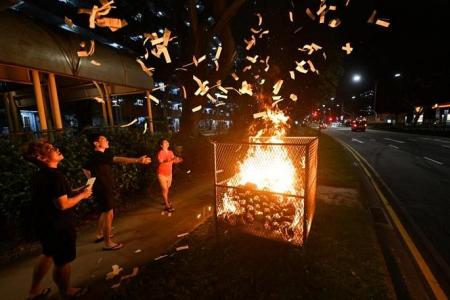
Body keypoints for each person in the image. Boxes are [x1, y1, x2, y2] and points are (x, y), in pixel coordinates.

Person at [23, 140, 92, 299]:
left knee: (47, 253)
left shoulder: (40, 175)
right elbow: (63, 204)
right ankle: (65, 292)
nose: (57, 149)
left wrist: (76, 190)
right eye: (51, 149)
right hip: (58, 226)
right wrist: (82, 195)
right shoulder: (55, 176)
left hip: (44, 224)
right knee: (62, 262)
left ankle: (34, 291)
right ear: (42, 157)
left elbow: (57, 195)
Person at [83, 133, 151, 251]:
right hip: (103, 188)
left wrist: (91, 180)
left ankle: (100, 234)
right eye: (103, 139)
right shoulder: (97, 155)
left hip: (103, 187)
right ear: (96, 143)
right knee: (108, 213)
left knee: (105, 212)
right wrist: (138, 160)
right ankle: (108, 243)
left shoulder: (97, 156)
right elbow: (118, 159)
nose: (107, 140)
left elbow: (84, 167)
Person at [157, 139, 183, 212]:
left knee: (167, 188)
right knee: (165, 189)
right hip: (161, 173)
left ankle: (165, 199)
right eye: (165, 142)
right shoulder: (160, 153)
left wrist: (178, 160)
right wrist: (171, 160)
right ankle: (167, 205)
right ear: (161, 146)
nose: (167, 143)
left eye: (167, 142)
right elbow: (161, 161)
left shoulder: (171, 152)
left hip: (169, 174)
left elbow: (173, 161)